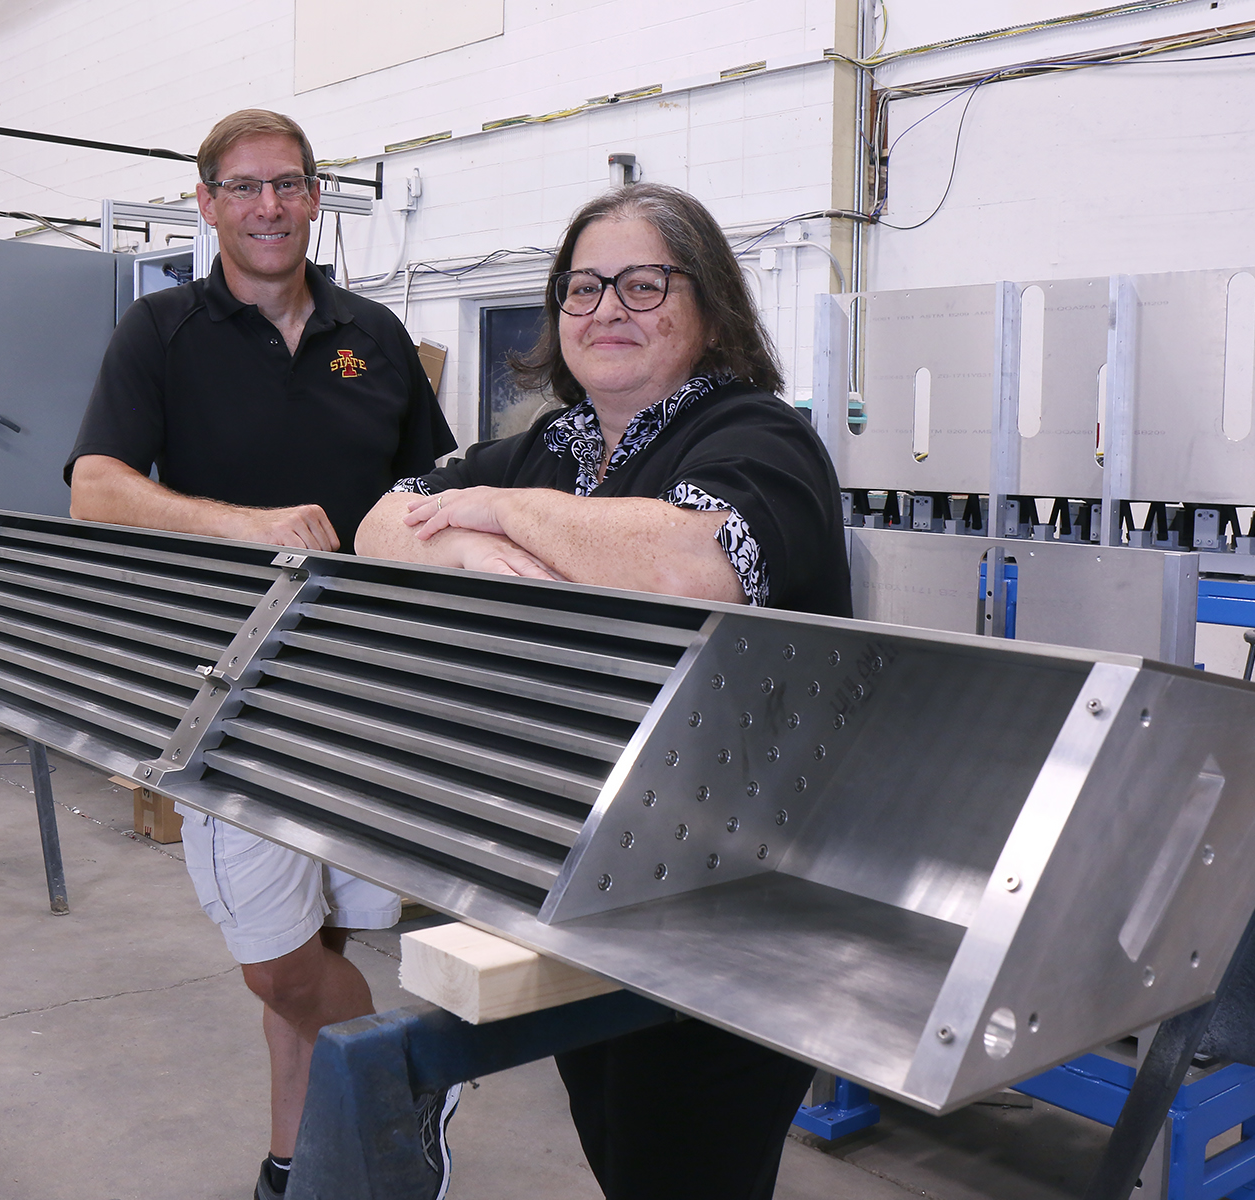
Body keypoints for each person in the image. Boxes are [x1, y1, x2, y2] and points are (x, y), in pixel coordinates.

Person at [357, 182, 850, 1200]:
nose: (604, 311)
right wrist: (498, 559)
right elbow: (380, 523)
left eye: (641, 284)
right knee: (624, 1154)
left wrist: (492, 509)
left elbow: (694, 562)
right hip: (589, 876)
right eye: (582, 290)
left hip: (736, 904)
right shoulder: (559, 447)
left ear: (709, 306)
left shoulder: (762, 440)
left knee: (685, 1166)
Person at [65, 109, 458, 1200]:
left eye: (286, 185)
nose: (267, 208)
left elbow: (430, 493)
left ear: (316, 196)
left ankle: (298, 1163)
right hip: (222, 693)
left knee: (322, 934)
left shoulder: (373, 336)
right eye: (242, 189)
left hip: (359, 687)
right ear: (206, 203)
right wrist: (248, 525)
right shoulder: (160, 332)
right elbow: (94, 492)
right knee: (277, 960)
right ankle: (409, 1081)